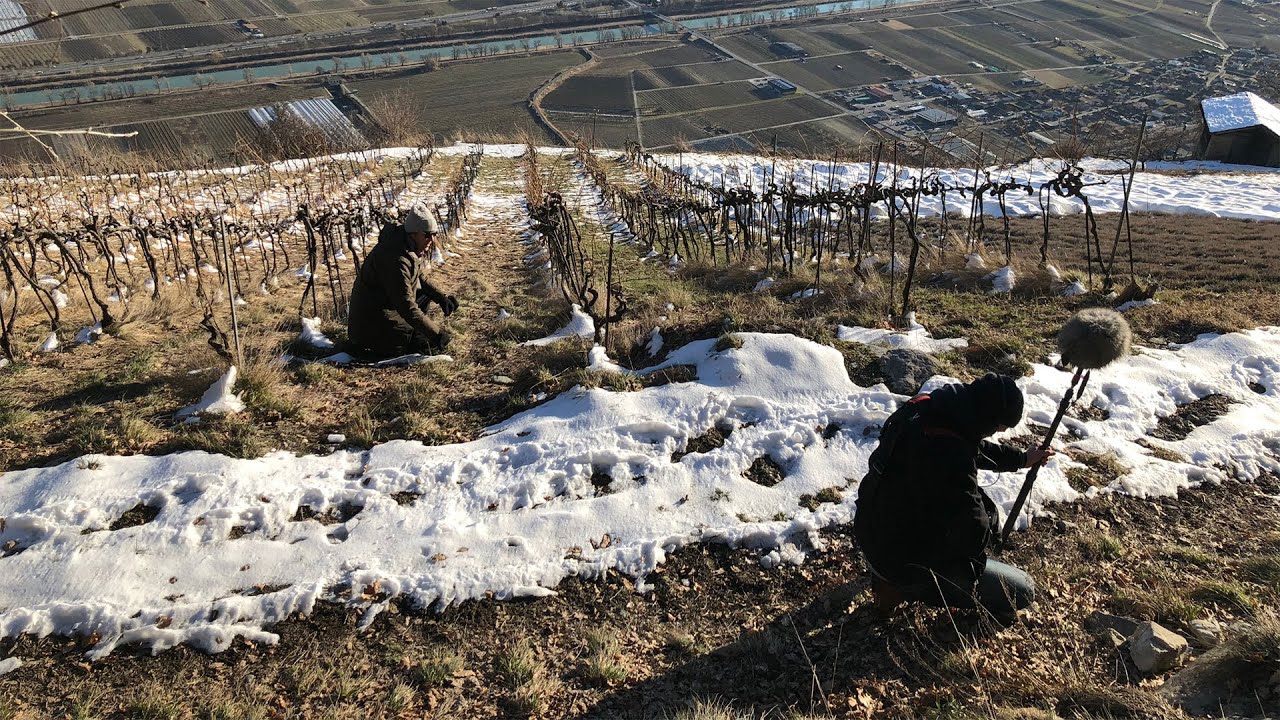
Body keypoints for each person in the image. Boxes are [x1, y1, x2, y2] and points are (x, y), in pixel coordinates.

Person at [854, 374, 1054, 619]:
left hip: (871, 527)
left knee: (968, 507)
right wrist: (989, 532)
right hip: (897, 557)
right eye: (999, 427)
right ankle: (901, 586)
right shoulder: (949, 454)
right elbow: (972, 535)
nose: (997, 433)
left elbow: (969, 446)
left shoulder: (929, 409)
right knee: (1022, 589)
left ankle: (887, 579)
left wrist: (1022, 459)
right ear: (989, 420)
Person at [347, 203, 458, 358]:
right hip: (372, 324)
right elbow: (406, 305)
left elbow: (419, 277)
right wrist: (437, 334)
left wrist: (441, 297)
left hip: (385, 309)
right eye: (427, 235)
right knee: (425, 346)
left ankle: (413, 332)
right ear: (414, 234)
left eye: (434, 234)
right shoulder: (395, 259)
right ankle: (401, 340)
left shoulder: (405, 246)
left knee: (423, 297)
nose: (432, 239)